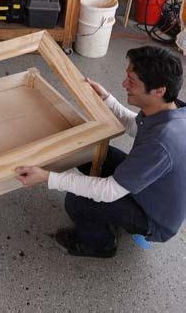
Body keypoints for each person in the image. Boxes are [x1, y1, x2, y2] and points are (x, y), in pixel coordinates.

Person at [15, 46, 185, 258]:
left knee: (77, 202)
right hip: (149, 187)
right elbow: (136, 125)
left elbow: (109, 191)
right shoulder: (172, 108)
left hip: (154, 217)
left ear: (159, 90)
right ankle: (112, 217)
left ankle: (101, 245)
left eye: (132, 81)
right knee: (90, 152)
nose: (124, 84)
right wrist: (107, 100)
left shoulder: (161, 143)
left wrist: (47, 178)